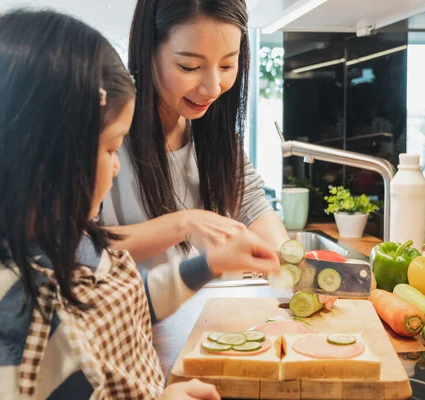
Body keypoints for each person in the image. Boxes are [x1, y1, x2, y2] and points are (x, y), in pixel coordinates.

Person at [0, 10, 279, 399]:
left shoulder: (74, 246)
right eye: (109, 149)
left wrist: (210, 265)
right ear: (37, 156)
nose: (118, 163)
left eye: (228, 64)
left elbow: (132, 301)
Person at [101, 0, 292, 323]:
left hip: (195, 326)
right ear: (149, 51)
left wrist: (296, 267)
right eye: (190, 67)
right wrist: (183, 224)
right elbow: (77, 247)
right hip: (127, 328)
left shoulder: (212, 133)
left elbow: (254, 207)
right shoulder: (106, 136)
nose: (213, 87)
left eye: (228, 65)